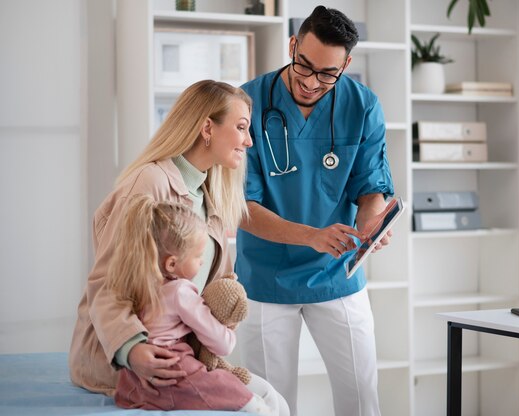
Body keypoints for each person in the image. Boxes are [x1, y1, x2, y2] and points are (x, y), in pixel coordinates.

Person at [69, 80, 288, 415]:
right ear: (206, 128)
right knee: (262, 409)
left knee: (275, 401)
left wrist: (223, 322)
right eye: (241, 128)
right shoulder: (150, 182)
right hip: (140, 360)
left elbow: (221, 280)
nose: (249, 141)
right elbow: (106, 283)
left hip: (187, 356)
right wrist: (133, 349)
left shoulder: (210, 191)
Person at [235, 6, 395, 416]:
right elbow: (240, 206)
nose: (311, 82)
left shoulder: (362, 106)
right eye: (304, 66)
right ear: (292, 45)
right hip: (266, 277)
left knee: (362, 398)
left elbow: (371, 185)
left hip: (337, 273)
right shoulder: (246, 103)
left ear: (346, 65)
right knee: (269, 405)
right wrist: (312, 235)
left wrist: (370, 227)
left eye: (328, 74)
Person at [109, 194, 275, 413]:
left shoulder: (138, 283)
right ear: (172, 263)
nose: (202, 262)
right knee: (225, 389)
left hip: (134, 376)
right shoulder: (181, 291)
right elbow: (221, 344)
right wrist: (228, 330)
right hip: (172, 363)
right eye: (198, 257)